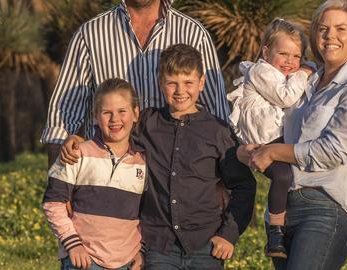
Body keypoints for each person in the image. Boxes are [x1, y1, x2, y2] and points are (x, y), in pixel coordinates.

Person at [41, 0, 229, 167]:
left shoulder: (193, 34)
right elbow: (62, 118)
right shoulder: (90, 35)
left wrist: (219, 183)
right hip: (108, 179)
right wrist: (60, 191)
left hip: (178, 178)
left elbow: (217, 115)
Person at [61, 44, 257, 270]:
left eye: (188, 83)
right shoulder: (147, 124)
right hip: (158, 246)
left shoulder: (218, 131)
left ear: (201, 83)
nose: (180, 90)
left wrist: (228, 234)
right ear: (160, 83)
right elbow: (114, 132)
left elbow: (244, 185)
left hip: (205, 245)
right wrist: (77, 139)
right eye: (172, 82)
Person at [238, 0, 347, 270]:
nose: (330, 36)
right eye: (323, 29)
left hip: (326, 209)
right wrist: (246, 150)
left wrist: (272, 151)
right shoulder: (301, 82)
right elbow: (269, 125)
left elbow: (332, 151)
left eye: (341, 29)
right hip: (284, 207)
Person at [227, 18, 313, 258]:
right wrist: (305, 71)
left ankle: (281, 227)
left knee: (286, 176)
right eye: (283, 53)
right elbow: (286, 97)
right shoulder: (261, 70)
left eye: (297, 56)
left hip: (273, 136)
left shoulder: (280, 73)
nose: (290, 61)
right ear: (266, 51)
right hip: (263, 139)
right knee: (282, 175)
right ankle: (275, 232)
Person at [43, 78, 145, 270]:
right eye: (107, 113)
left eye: (122, 111)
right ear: (95, 117)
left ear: (135, 113)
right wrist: (72, 243)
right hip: (83, 259)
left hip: (127, 262)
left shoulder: (143, 162)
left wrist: (142, 251)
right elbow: (53, 202)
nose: (115, 119)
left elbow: (150, 213)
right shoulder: (76, 153)